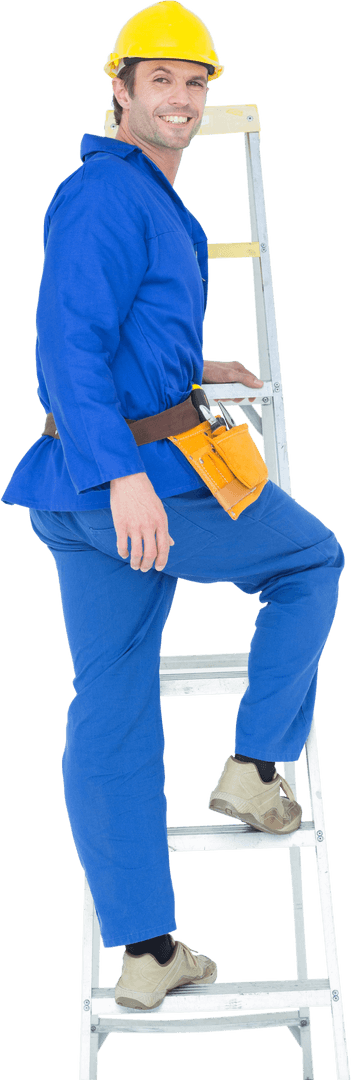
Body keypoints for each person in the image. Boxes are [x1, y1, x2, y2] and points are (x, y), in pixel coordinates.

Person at [1, 0, 344, 1012]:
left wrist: (190, 373)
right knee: (309, 561)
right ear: (119, 88)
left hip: (84, 485)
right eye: (161, 80)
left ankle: (147, 952)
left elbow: (118, 331)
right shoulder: (103, 192)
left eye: (195, 83)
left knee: (109, 698)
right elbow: (65, 344)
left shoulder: (141, 193)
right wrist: (128, 478)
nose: (182, 99)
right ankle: (256, 768)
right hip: (127, 484)